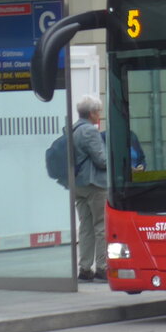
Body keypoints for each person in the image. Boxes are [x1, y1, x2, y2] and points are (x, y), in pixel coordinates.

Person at [71, 94, 108, 282]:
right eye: (98, 111)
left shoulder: (73, 129)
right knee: (101, 225)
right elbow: (101, 160)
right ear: (92, 113)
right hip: (95, 184)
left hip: (78, 185)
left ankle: (85, 269)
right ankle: (102, 268)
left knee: (85, 226)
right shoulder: (89, 131)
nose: (99, 114)